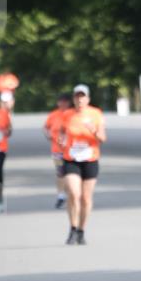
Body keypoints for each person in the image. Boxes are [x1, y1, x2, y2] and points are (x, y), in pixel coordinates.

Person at [60, 84, 106, 244]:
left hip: (90, 159)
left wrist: (94, 130)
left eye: (82, 96)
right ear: (73, 99)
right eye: (77, 97)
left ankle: (81, 230)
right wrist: (62, 140)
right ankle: (72, 228)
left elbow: (102, 138)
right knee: (73, 193)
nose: (80, 99)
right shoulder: (67, 115)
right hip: (71, 158)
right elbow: (61, 132)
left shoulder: (96, 114)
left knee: (86, 198)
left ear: (88, 98)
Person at [43, 93, 73, 209]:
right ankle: (61, 195)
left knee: (70, 173)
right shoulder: (53, 115)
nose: (63, 103)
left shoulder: (72, 114)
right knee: (60, 172)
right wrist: (48, 134)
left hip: (71, 150)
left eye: (65, 101)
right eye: (61, 101)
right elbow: (45, 127)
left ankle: (71, 194)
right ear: (58, 102)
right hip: (57, 150)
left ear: (69, 103)